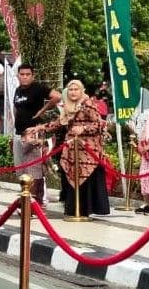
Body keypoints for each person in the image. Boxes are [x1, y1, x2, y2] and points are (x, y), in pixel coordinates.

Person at [44, 79, 110, 217]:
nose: (73, 92)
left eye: (76, 89)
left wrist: (84, 128)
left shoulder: (88, 104)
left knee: (84, 178)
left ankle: (85, 210)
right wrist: (41, 127)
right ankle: (73, 209)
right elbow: (60, 122)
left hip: (88, 150)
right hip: (71, 149)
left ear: (82, 91)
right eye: (71, 90)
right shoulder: (67, 106)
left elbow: (100, 124)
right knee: (71, 176)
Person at [12, 63, 50, 202]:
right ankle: (25, 200)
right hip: (19, 133)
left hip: (33, 132)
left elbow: (56, 97)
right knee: (21, 169)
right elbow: (16, 108)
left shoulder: (38, 88)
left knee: (34, 170)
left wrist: (42, 111)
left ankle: (36, 202)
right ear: (18, 75)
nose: (25, 77)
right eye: (22, 74)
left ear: (32, 76)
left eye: (28, 74)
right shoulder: (17, 90)